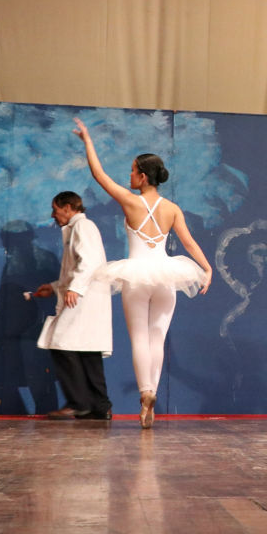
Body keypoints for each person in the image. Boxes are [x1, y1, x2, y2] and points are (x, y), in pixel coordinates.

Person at [73, 118, 212, 429]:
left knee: (138, 337)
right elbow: (189, 243)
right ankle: (153, 393)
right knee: (157, 338)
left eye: (133, 171)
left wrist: (87, 141)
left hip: (135, 275)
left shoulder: (130, 201)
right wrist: (206, 268)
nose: (129, 175)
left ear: (143, 176)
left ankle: (145, 392)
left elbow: (99, 175)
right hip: (166, 275)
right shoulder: (172, 208)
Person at [33, 191, 114, 420]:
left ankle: (79, 403)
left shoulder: (82, 227)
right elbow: (76, 268)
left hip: (83, 297)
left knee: (62, 343)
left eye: (56, 209)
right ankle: (100, 405)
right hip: (84, 295)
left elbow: (88, 262)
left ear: (68, 208)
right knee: (87, 350)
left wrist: (75, 288)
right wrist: (54, 286)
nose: (53, 215)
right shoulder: (78, 228)